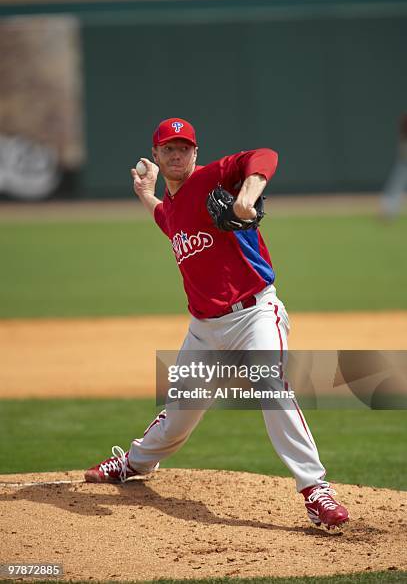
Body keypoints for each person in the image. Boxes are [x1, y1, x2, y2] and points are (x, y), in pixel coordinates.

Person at [85, 118, 349, 530]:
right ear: (156, 155)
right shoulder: (171, 210)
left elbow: (265, 156)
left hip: (254, 312)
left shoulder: (212, 179)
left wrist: (246, 196)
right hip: (204, 330)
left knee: (269, 382)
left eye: (184, 148)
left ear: (196, 152)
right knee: (179, 414)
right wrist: (145, 194)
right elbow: (166, 217)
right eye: (168, 148)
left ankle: (315, 489)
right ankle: (135, 462)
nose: (177, 154)